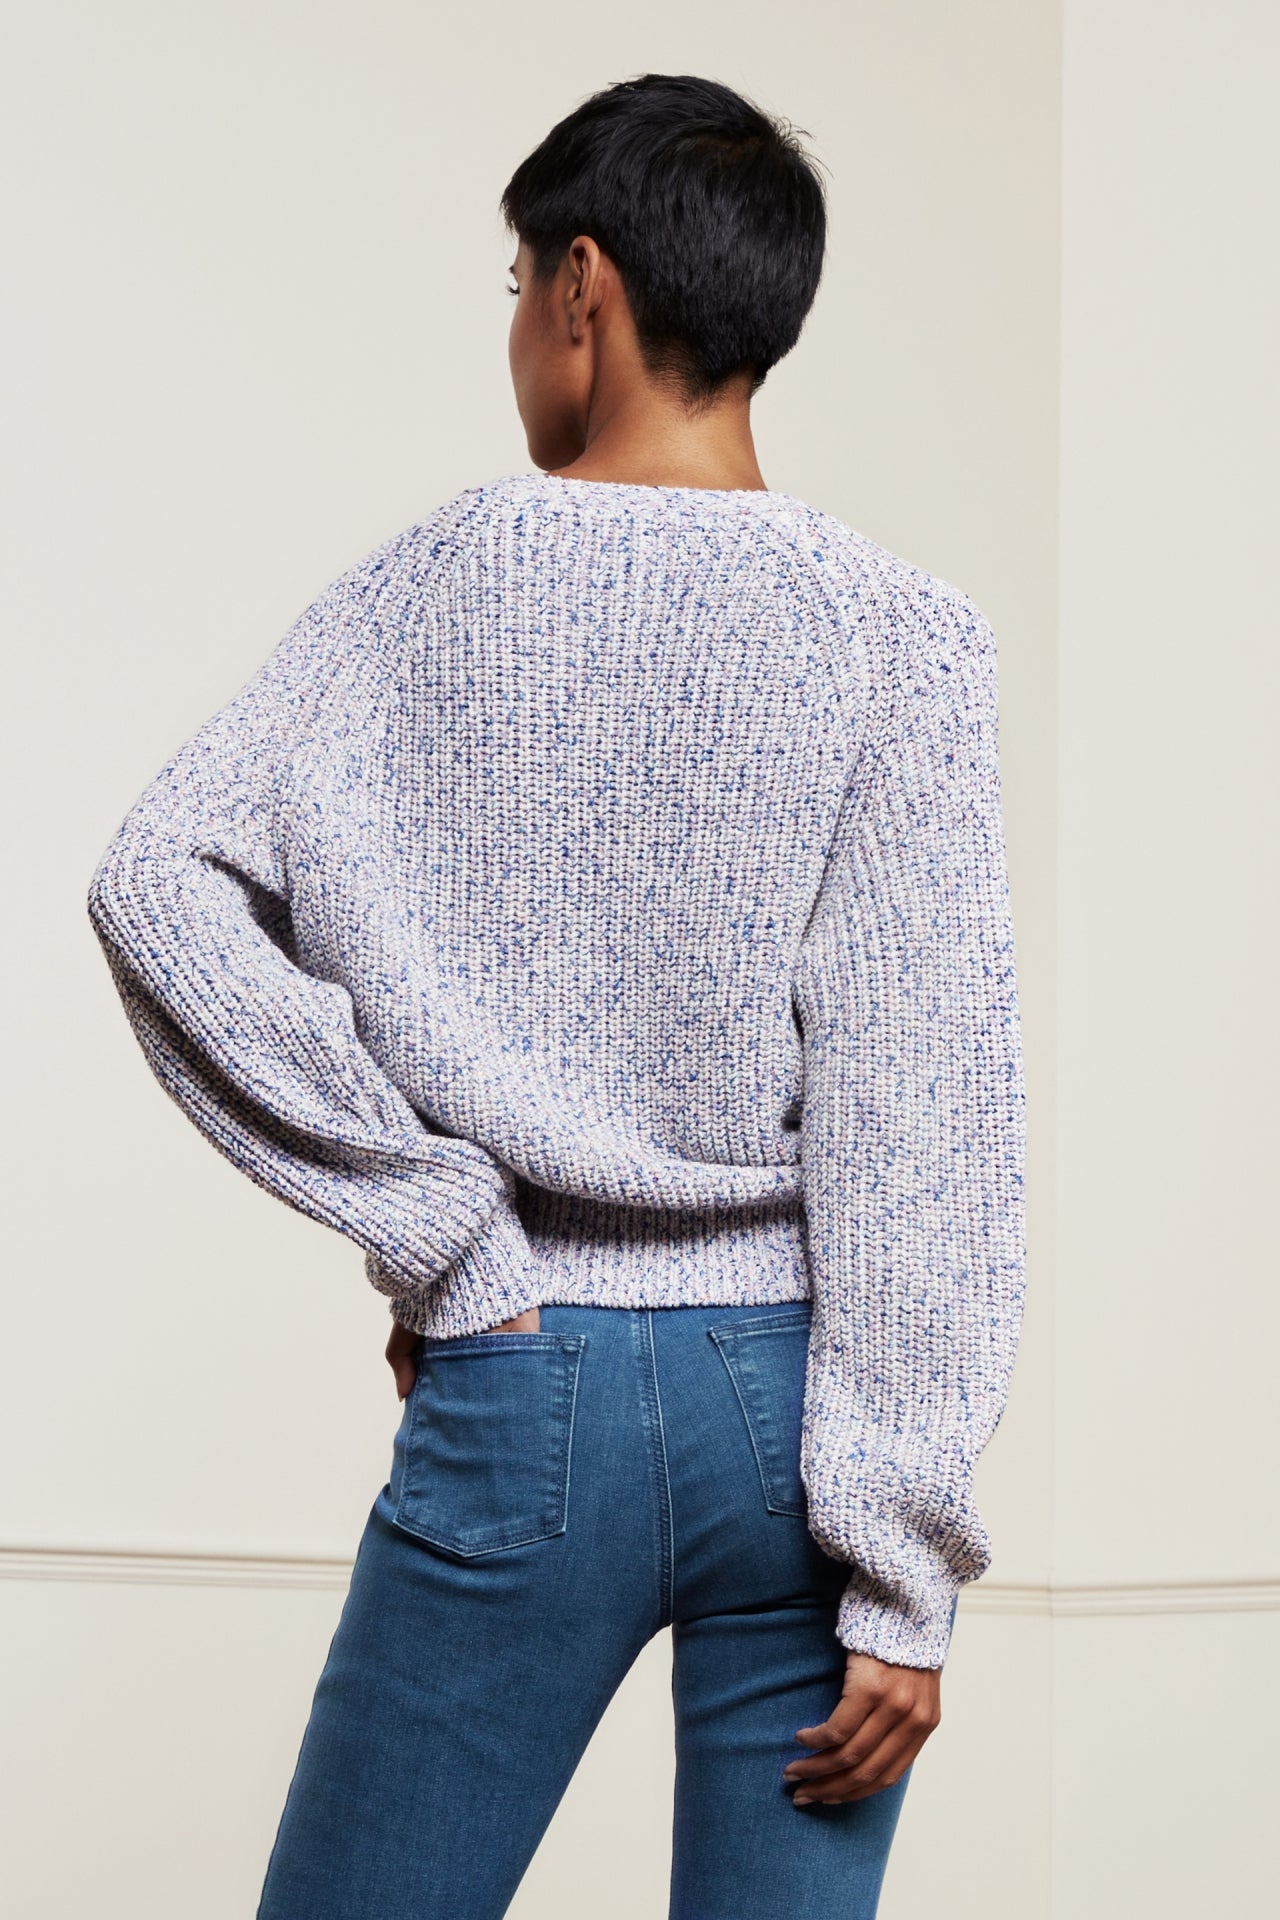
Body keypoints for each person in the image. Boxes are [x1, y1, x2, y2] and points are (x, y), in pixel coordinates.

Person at [87, 72, 1026, 1920]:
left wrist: (438, 1228)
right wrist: (905, 1569)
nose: (517, 325)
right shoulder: (907, 640)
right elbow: (924, 1117)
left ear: (581, 285)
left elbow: (154, 885)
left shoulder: (431, 585)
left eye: (517, 284)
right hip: (801, 1418)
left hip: (524, 1382)